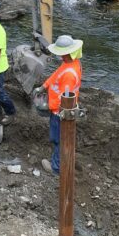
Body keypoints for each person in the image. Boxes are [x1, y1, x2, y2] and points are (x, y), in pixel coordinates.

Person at [39, 34, 83, 174]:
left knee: (59, 139)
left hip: (59, 112)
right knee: (61, 138)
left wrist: (49, 107)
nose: (60, 57)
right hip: (59, 110)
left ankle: (56, 167)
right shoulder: (71, 63)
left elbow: (64, 97)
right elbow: (56, 75)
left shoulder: (70, 74)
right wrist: (44, 86)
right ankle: (64, 160)